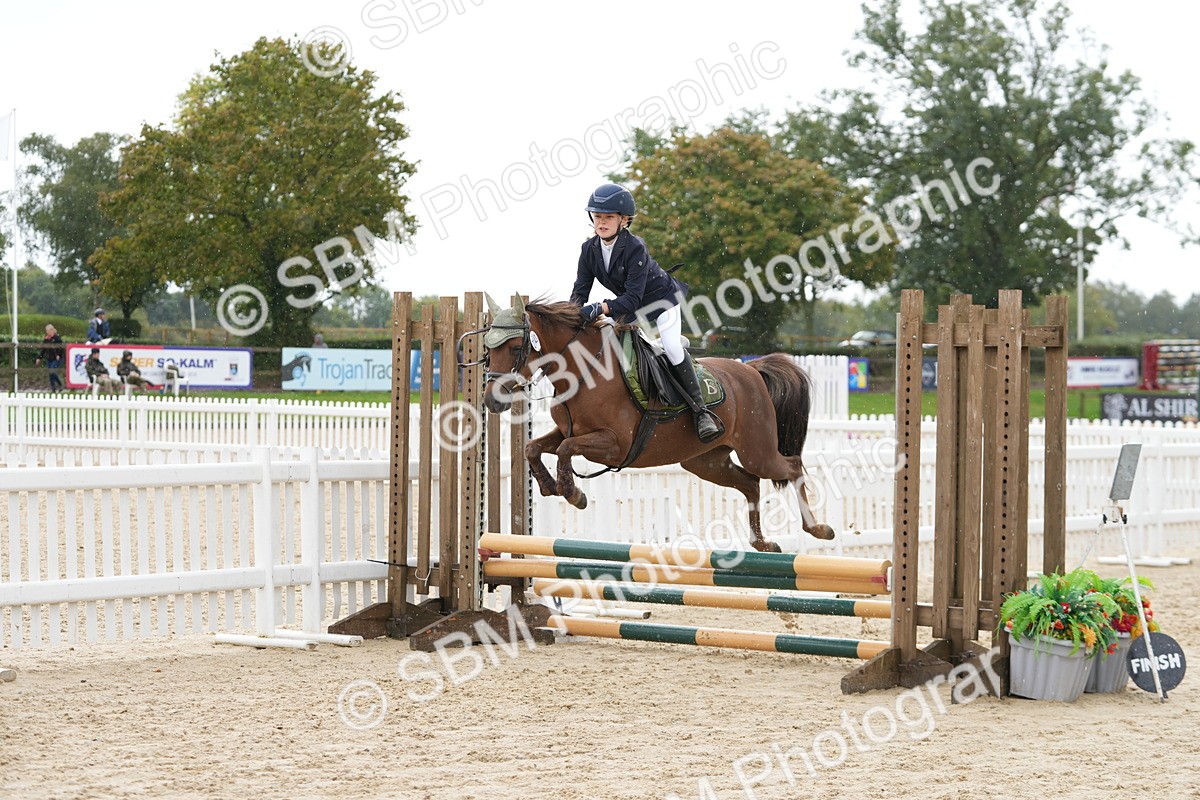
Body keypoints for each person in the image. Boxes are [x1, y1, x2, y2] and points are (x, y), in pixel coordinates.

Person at [569, 182, 722, 442]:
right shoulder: (589, 250)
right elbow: (579, 292)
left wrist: (600, 307)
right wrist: (570, 315)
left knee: (672, 348)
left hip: (661, 302)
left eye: (608, 217)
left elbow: (632, 299)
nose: (601, 222)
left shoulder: (635, 247)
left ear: (624, 220)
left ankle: (701, 412)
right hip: (629, 306)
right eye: (597, 216)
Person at [35, 324, 64, 392]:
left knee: (52, 371)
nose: (47, 332)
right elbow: (43, 349)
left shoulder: (57, 338)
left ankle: (60, 384)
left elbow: (61, 348)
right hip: (49, 358)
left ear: (51, 330)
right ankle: (53, 388)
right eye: (46, 331)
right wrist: (39, 358)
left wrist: (58, 355)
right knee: (50, 373)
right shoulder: (46, 339)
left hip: (56, 358)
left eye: (48, 331)